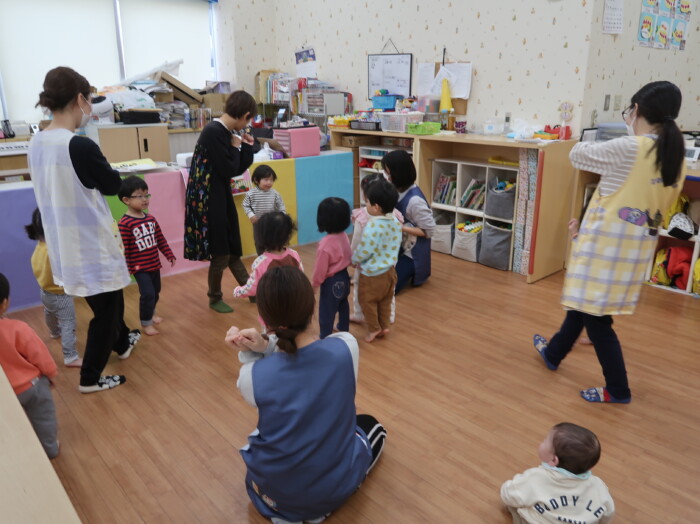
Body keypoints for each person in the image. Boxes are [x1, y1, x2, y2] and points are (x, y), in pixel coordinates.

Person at [533, 81, 686, 403]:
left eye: (629, 111)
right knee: (583, 307)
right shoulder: (675, 155)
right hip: (632, 253)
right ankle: (553, 353)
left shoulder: (632, 147)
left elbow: (576, 154)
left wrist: (624, 135)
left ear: (636, 110)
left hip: (605, 251)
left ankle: (618, 389)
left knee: (597, 321)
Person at [225, 266, 386, 524]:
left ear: (263, 319)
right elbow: (305, 367)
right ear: (312, 308)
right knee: (371, 425)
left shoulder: (250, 376)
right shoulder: (346, 345)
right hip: (321, 498)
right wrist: (267, 345)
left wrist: (264, 346)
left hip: (268, 494)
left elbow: (286, 376)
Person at [29, 66, 140, 394]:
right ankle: (90, 377)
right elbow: (113, 185)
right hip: (89, 240)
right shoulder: (79, 146)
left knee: (105, 301)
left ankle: (122, 343)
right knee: (108, 309)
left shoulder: (37, 141)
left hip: (62, 241)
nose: (89, 108)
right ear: (80, 99)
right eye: (89, 101)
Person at [184, 90, 258, 313]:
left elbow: (235, 168)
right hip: (208, 198)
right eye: (248, 120)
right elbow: (227, 168)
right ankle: (214, 297)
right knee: (220, 251)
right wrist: (236, 147)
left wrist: (246, 146)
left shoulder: (226, 132)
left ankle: (251, 290)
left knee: (232, 247)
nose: (247, 125)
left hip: (220, 193)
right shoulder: (213, 131)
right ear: (244, 115)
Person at [500, 422, 614, 524]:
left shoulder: (537, 477)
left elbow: (508, 495)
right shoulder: (598, 486)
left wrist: (508, 488)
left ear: (554, 460)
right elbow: (608, 513)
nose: (542, 442)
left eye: (545, 440)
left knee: (515, 506)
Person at [0, 273, 60, 458]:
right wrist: (51, 374)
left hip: (5, 395)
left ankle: (18, 453)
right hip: (32, 386)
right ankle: (50, 449)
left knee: (10, 425)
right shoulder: (18, 328)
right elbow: (40, 356)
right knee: (44, 419)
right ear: (5, 303)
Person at [118, 176, 176, 336]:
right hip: (139, 268)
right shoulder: (125, 223)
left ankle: (152, 312)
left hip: (154, 264)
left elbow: (160, 239)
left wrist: (169, 254)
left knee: (155, 291)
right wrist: (126, 268)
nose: (145, 199)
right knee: (148, 294)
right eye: (139, 196)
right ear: (126, 200)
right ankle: (146, 323)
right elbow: (124, 249)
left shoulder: (150, 219)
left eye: (146, 195)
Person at [25, 208, 81, 367]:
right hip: (61, 294)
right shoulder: (54, 251)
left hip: (45, 291)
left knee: (49, 312)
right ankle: (71, 356)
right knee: (68, 322)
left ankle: (54, 332)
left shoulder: (40, 245)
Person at [351, 178, 403, 343]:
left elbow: (365, 249)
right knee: (385, 300)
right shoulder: (396, 222)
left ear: (376, 207)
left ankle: (374, 329)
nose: (365, 205)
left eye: (367, 202)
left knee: (367, 301)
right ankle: (385, 325)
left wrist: (354, 259)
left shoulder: (373, 225)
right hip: (390, 271)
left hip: (372, 274)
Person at [382, 150, 436, 293]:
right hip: (396, 245)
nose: (386, 176)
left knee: (387, 288)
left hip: (411, 252)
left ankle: (412, 270)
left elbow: (429, 231)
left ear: (398, 174)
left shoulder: (415, 201)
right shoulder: (395, 188)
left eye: (388, 173)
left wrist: (401, 228)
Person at [233, 211, 302, 300]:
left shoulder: (261, 262)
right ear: (288, 235)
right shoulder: (294, 254)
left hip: (272, 304)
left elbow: (253, 288)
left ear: (261, 236)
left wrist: (238, 291)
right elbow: (301, 277)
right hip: (294, 301)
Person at [312, 197, 352, 339]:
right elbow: (349, 254)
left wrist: (315, 285)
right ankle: (343, 328)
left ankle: (325, 335)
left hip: (331, 282)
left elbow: (320, 269)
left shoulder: (325, 244)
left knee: (327, 310)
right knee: (343, 304)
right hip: (345, 277)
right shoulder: (344, 236)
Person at [242, 164, 286, 255]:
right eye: (266, 180)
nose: (269, 182)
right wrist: (251, 215)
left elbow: (281, 206)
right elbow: (245, 205)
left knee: (273, 242)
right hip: (258, 223)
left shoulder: (275, 194)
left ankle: (273, 257)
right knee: (259, 242)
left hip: (272, 223)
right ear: (256, 180)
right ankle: (261, 258)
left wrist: (282, 216)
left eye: (271, 180)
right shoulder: (251, 194)